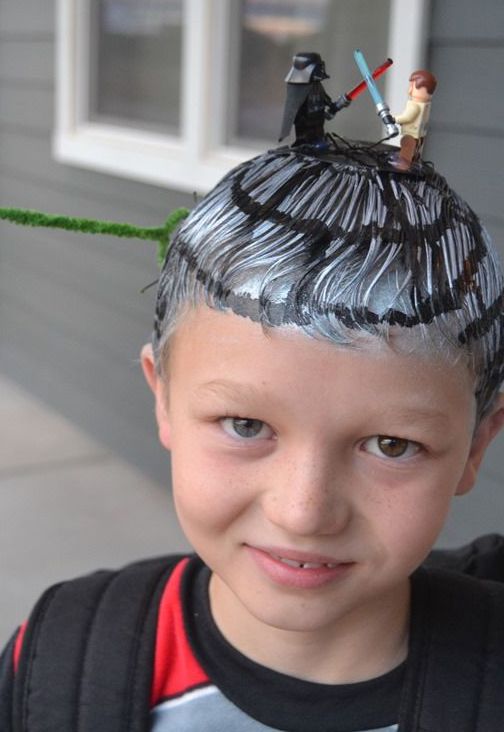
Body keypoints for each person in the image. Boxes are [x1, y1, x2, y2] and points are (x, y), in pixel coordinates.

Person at [1, 135, 503, 730]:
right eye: (245, 425)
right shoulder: (59, 666)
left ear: (476, 445)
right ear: (163, 399)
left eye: (391, 445)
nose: (303, 513)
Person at [392, 69, 437, 170]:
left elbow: (407, 117)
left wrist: (394, 119)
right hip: (420, 133)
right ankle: (414, 161)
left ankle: (403, 164)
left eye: (413, 86)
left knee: (406, 144)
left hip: (411, 133)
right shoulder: (426, 105)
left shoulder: (414, 105)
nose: (410, 90)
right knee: (415, 149)